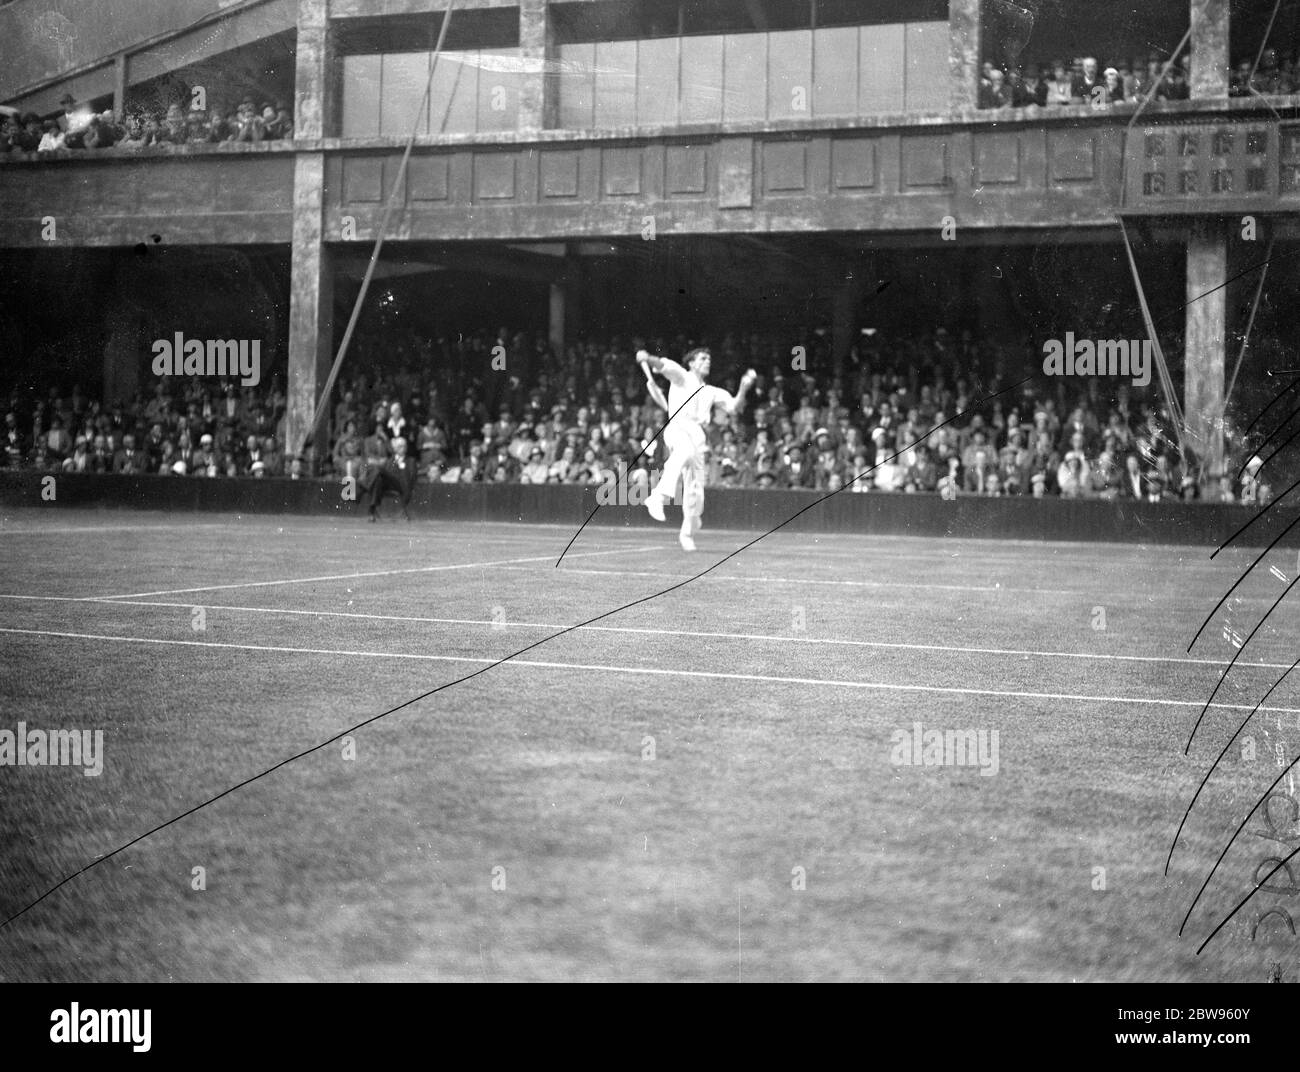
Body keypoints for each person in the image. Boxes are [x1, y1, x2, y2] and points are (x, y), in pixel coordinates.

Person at [636, 347, 756, 551]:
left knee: (696, 492)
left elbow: (734, 407)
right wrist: (648, 357)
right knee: (684, 452)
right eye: (702, 358)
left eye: (709, 358)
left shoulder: (712, 391)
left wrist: (744, 388)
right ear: (691, 363)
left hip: (698, 436)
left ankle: (688, 531)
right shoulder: (682, 376)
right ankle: (658, 497)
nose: (707, 361)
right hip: (677, 427)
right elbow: (662, 365)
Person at [365, 436, 417, 521]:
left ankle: (365, 486)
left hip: (401, 486)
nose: (403, 448)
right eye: (400, 446)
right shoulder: (390, 460)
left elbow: (412, 477)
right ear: (395, 448)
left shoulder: (411, 461)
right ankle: (372, 507)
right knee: (378, 480)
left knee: (378, 470)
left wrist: (401, 468)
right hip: (389, 485)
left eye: (404, 446)